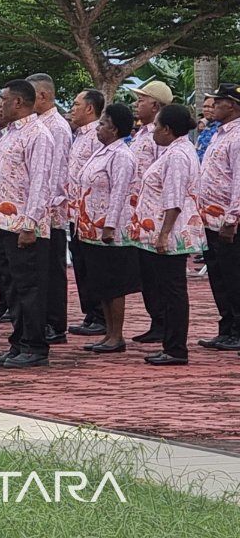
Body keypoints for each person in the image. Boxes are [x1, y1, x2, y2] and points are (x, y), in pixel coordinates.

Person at [0, 79, 55, 369]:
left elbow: (40, 182)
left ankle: (35, 346)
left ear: (18, 102)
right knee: (11, 287)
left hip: (24, 225)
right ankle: (18, 342)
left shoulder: (38, 135)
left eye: (3, 98)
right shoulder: (9, 134)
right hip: (2, 222)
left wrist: (30, 224)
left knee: (30, 288)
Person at [127, 104, 204, 366]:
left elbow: (174, 198)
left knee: (173, 291)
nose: (154, 132)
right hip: (165, 230)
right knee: (168, 289)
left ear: (168, 129)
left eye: (157, 126)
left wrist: (163, 234)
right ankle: (170, 344)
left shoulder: (178, 156)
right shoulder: (174, 151)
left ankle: (175, 348)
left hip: (172, 232)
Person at [73, 103, 138, 355]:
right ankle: (107, 332)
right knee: (100, 283)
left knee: (114, 284)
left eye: (102, 124)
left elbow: (120, 192)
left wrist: (110, 225)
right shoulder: (102, 151)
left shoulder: (121, 155)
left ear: (114, 128)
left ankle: (116, 335)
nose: (98, 128)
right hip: (90, 226)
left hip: (109, 229)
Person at [124, 80, 174, 344]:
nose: (136, 104)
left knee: (159, 273)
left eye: (142, 100)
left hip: (154, 212)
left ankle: (165, 322)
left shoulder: (161, 136)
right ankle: (156, 319)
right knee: (146, 272)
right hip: (137, 213)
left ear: (155, 105)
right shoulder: (141, 133)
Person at [26, 73, 74, 346]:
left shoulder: (55, 127)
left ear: (43, 96)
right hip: (39, 209)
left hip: (50, 211)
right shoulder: (38, 124)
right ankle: (44, 319)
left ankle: (55, 323)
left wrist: (45, 205)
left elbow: (54, 173)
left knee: (51, 271)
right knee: (40, 271)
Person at [196, 84, 240, 353]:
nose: (213, 106)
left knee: (234, 276)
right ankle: (227, 326)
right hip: (209, 218)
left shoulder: (237, 137)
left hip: (227, 220)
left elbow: (238, 181)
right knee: (219, 276)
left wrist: (232, 218)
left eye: (219, 101)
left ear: (233, 105)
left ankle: (237, 330)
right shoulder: (219, 134)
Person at [66, 89, 108, 336]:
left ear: (90, 108)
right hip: (75, 212)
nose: (72, 109)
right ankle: (91, 313)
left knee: (93, 266)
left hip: (92, 212)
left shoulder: (96, 136)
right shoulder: (80, 135)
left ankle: (100, 316)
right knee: (81, 264)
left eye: (76, 104)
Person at [197, 96, 219, 161]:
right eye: (205, 106)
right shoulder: (206, 125)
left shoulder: (221, 128)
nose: (206, 109)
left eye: (211, 107)